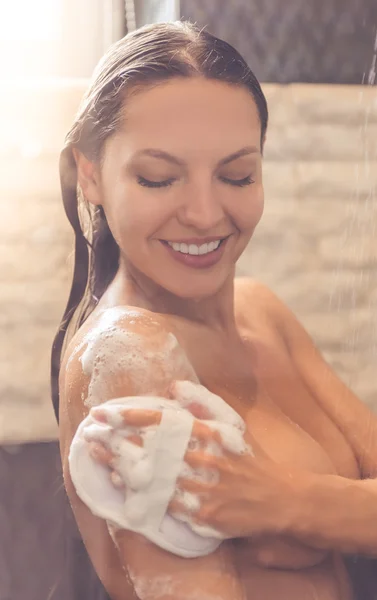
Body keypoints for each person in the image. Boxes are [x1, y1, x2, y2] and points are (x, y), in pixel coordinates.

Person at [51, 20, 377, 600]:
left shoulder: (260, 310)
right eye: (158, 178)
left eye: (236, 175)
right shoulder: (129, 357)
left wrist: (285, 501)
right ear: (91, 175)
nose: (204, 213)